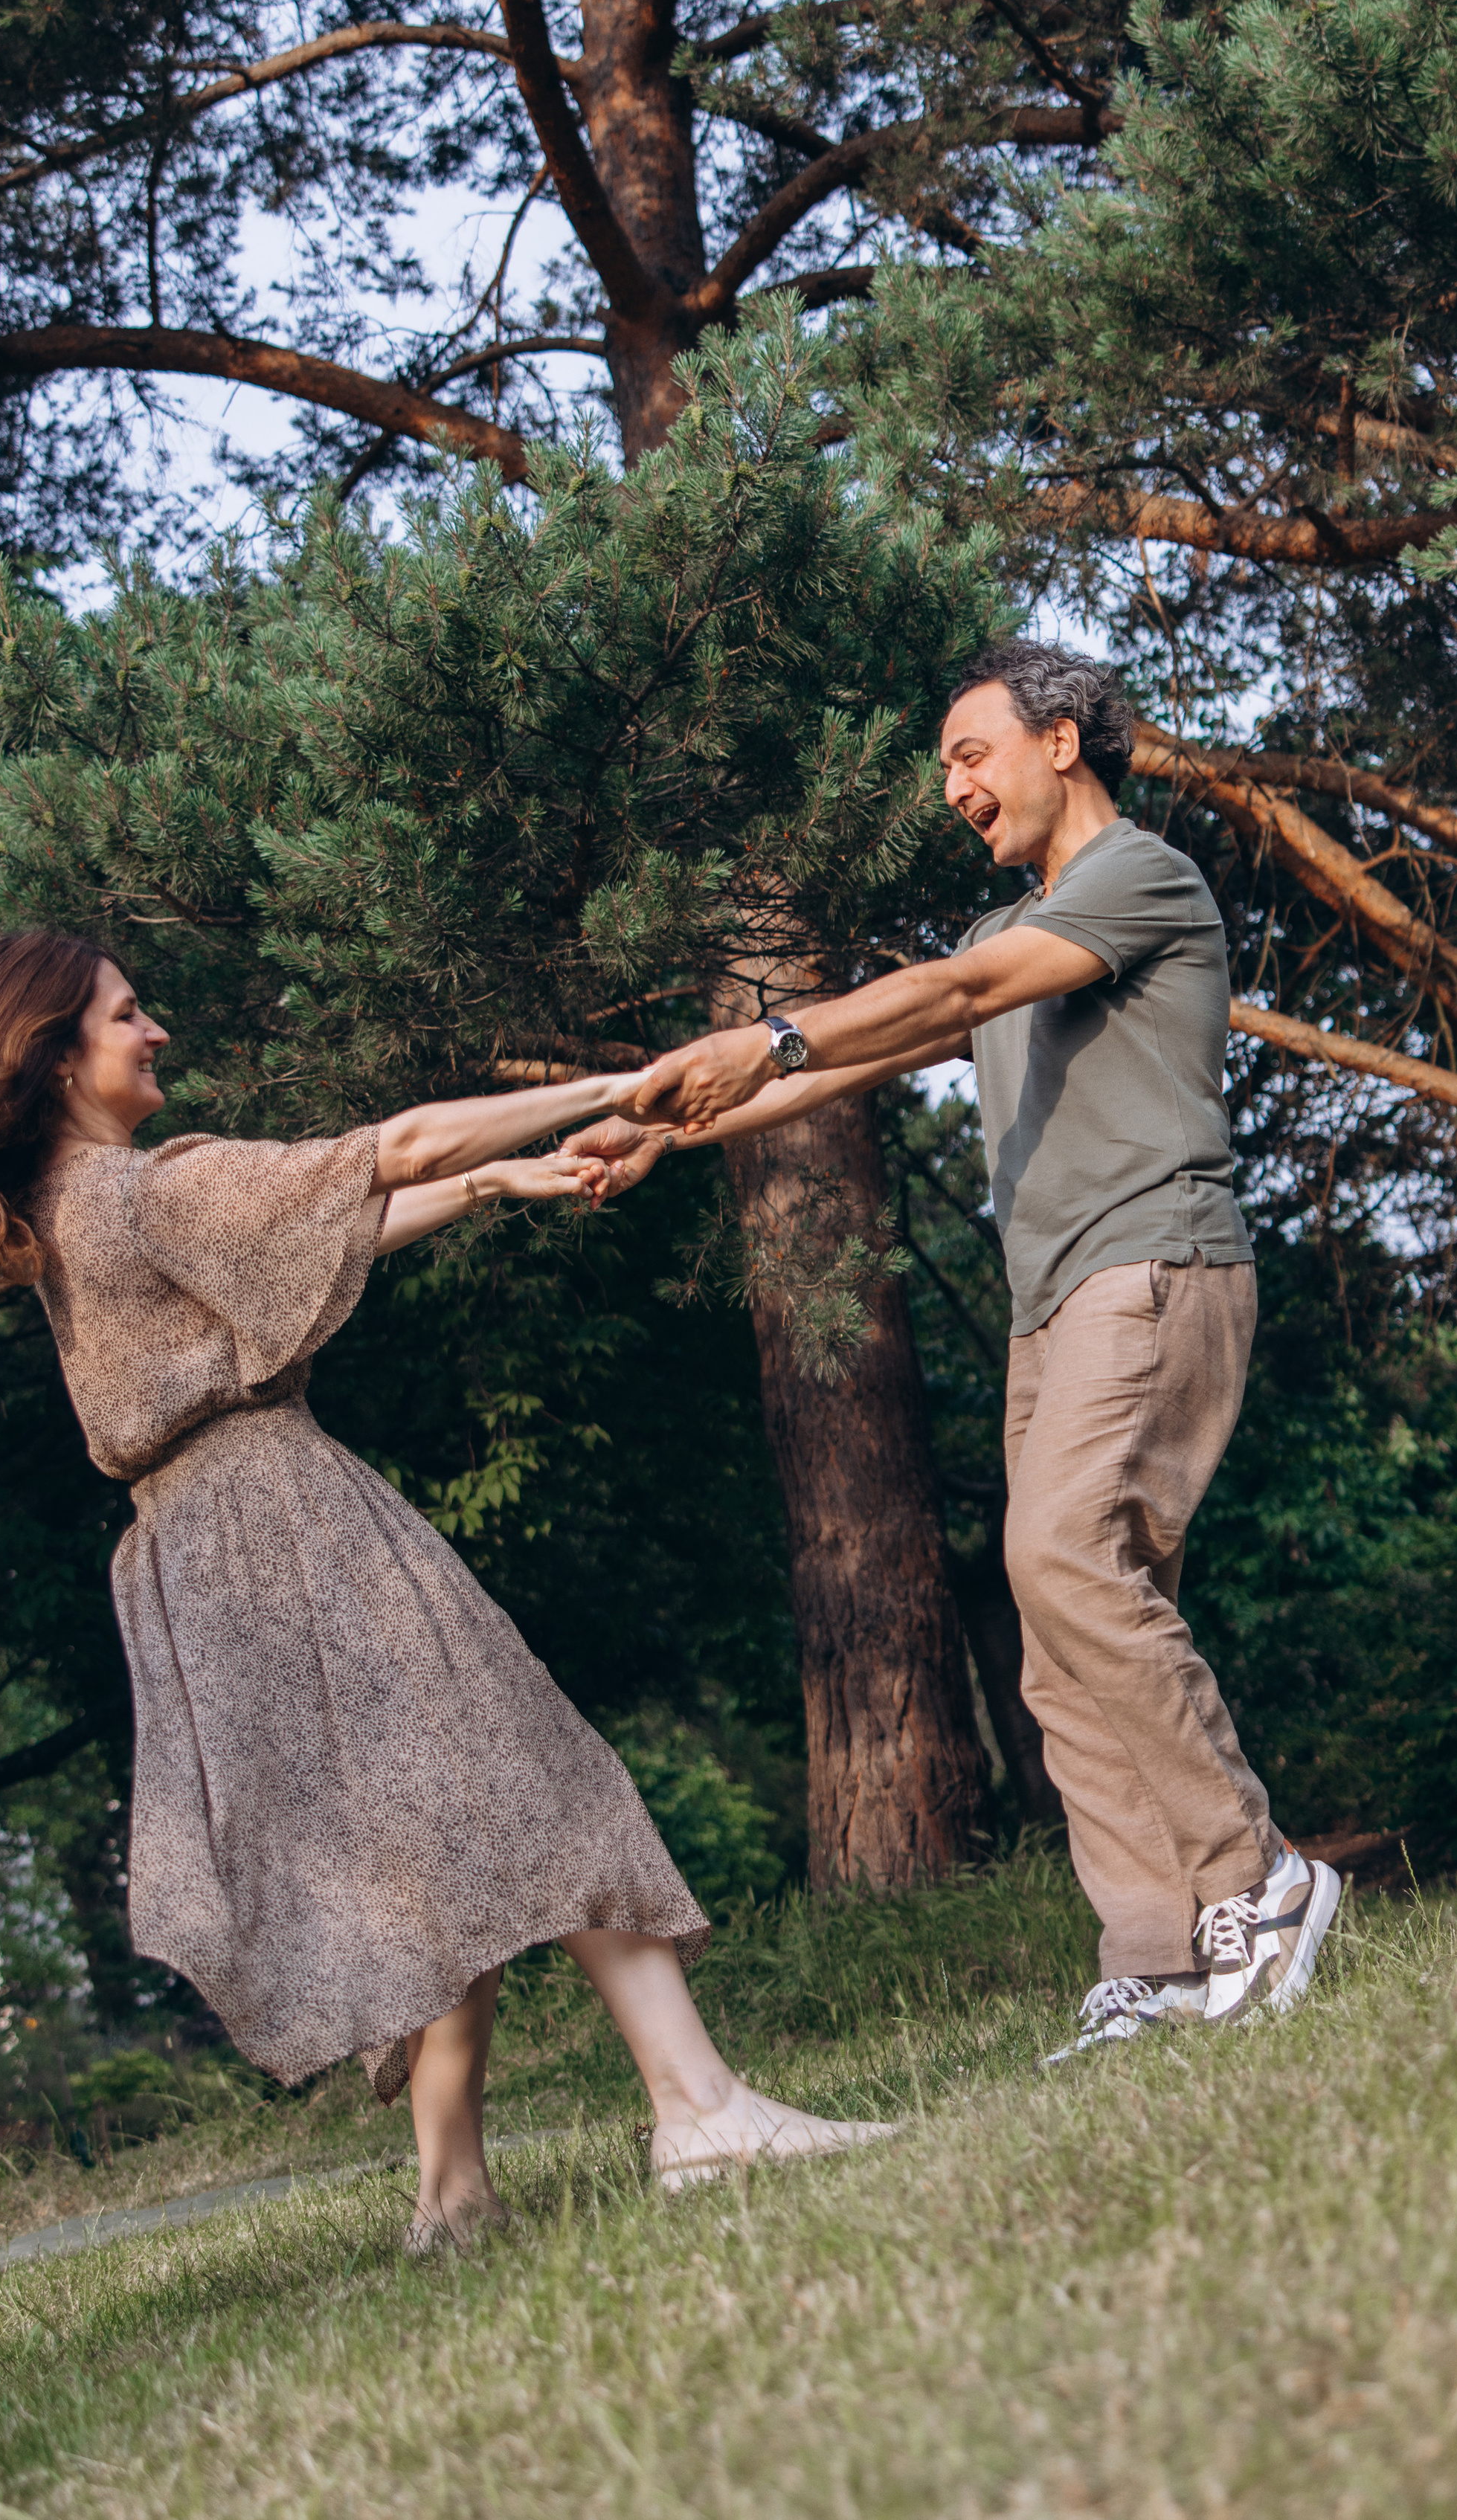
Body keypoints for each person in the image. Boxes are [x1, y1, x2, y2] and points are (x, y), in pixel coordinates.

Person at [0, 929, 891, 2235]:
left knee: (426, 1834)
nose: (157, 1032)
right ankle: (698, 2107)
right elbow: (393, 1147)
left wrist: (499, 1187)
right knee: (529, 1768)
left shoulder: (81, 1214)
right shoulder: (143, 1191)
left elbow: (352, 1214)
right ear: (56, 1053)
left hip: (204, 1551)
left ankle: (452, 2194)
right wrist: (617, 1088)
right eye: (129, 1015)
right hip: (278, 1518)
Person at [570, 640, 1339, 2057]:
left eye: (969, 753)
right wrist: (667, 1127)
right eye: (942, 771)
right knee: (1061, 1638)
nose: (953, 788)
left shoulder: (1139, 880)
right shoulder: (1020, 923)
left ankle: (1262, 1879)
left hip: (1153, 1261)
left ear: (1063, 740)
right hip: (1055, 1303)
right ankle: (1162, 1958)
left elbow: (947, 999)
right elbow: (876, 1051)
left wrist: (771, 1040)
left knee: (1058, 1558)